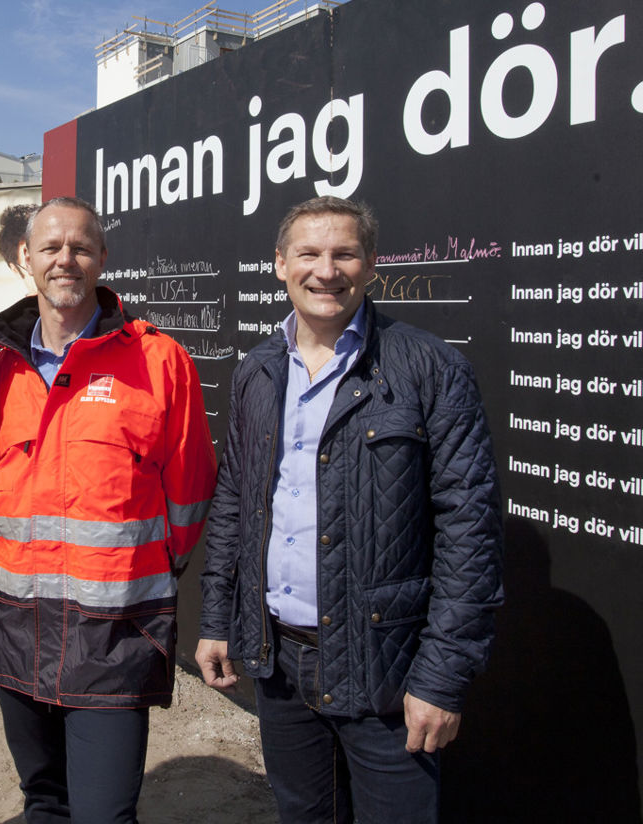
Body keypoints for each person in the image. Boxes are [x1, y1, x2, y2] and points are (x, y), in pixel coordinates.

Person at [196, 196, 503, 824]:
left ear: (370, 266)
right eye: (308, 253)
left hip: (384, 673)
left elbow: (469, 533)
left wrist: (440, 679)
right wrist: (216, 619)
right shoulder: (258, 371)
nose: (325, 270)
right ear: (280, 264)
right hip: (280, 664)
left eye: (344, 254)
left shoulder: (430, 368)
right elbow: (236, 504)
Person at [0, 196, 217, 823]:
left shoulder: (159, 360)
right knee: (44, 804)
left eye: (81, 247)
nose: (66, 260)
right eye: (52, 248)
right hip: (19, 631)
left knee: (104, 816)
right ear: (25, 259)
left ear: (103, 258)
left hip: (114, 639)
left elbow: (191, 496)